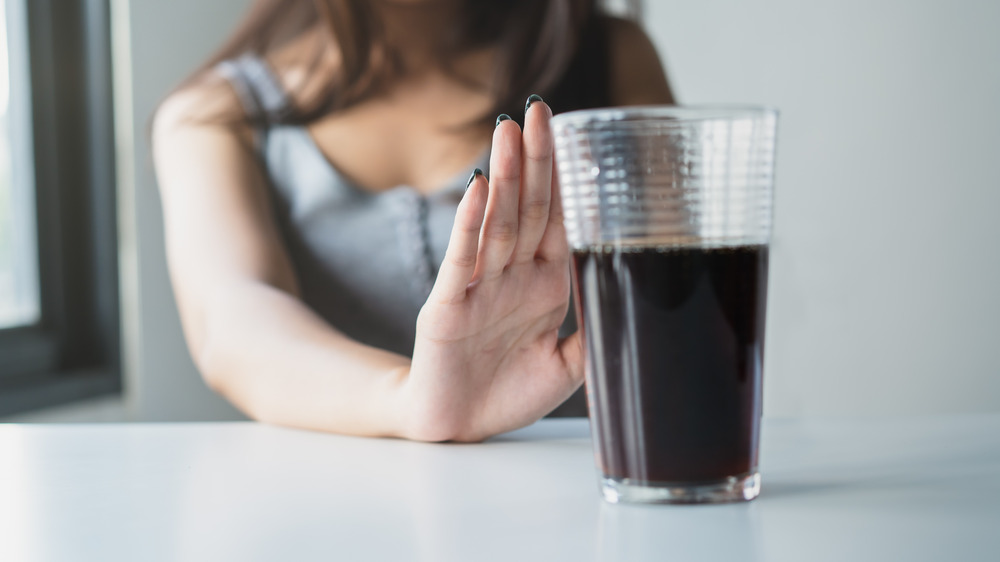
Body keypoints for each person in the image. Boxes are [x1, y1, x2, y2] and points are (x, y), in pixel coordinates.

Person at [152, 0, 674, 442]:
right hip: (337, 518)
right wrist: (412, 398)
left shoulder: (611, 59)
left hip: (583, 505)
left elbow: (675, 303)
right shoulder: (213, 115)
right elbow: (235, 321)